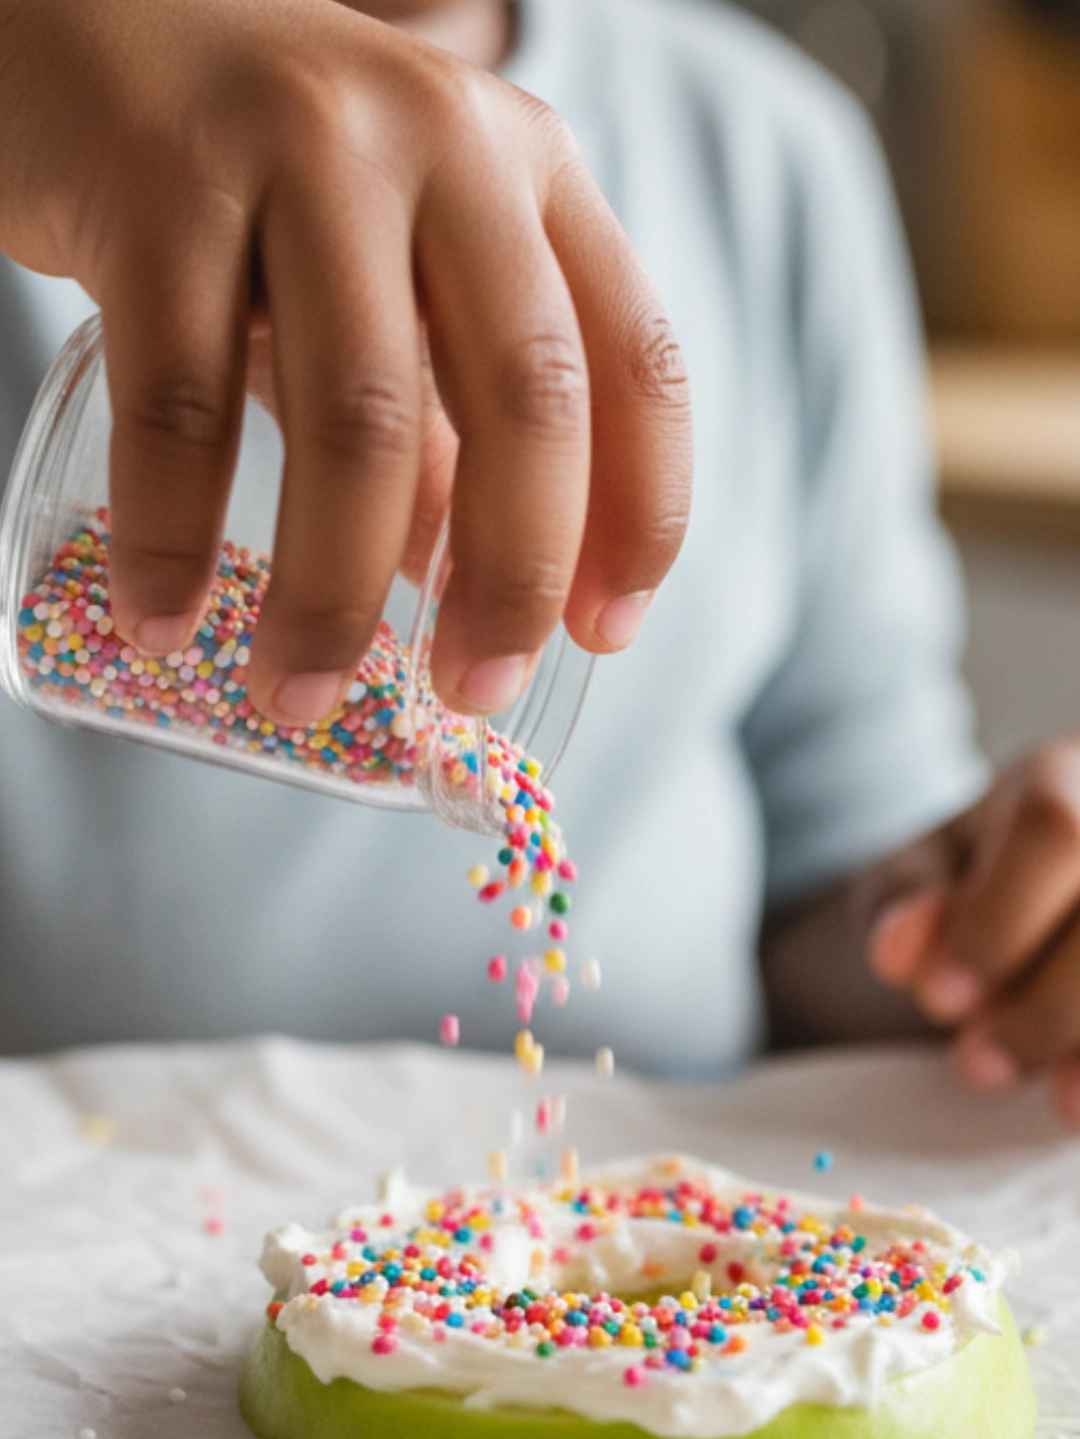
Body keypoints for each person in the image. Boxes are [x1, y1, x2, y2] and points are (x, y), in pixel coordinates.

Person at [1, 0, 1080, 1128]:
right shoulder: (45, 113)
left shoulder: (764, 150)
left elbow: (837, 850)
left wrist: (996, 931)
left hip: (613, 1190)